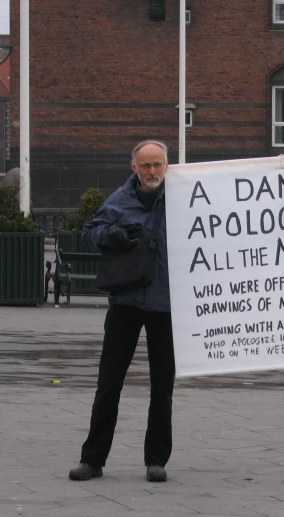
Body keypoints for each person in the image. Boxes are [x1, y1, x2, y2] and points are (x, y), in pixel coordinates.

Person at [69, 139, 174, 483]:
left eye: (157, 164)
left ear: (166, 165)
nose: (152, 171)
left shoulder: (183, 197)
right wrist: (109, 234)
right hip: (127, 301)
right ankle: (93, 459)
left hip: (167, 304)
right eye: (145, 165)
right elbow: (88, 232)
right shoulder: (120, 200)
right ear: (134, 168)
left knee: (162, 386)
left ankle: (156, 459)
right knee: (108, 382)